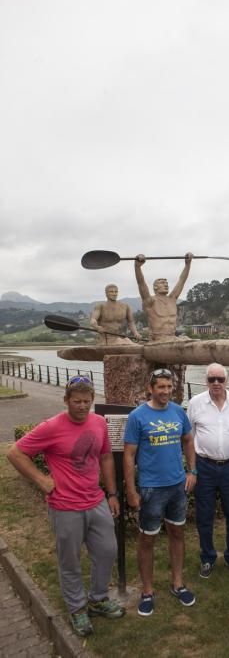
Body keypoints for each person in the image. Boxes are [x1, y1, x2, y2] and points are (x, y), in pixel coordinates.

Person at [7, 376, 125, 637]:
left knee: (107, 550)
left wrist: (112, 493)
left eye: (87, 401)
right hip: (65, 507)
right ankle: (77, 609)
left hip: (95, 501)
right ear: (66, 401)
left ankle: (97, 598)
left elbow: (105, 457)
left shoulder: (98, 423)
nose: (82, 407)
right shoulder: (51, 427)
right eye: (77, 402)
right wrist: (41, 480)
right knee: (69, 561)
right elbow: (15, 453)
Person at [123, 368, 197, 616]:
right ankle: (147, 590)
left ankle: (177, 583)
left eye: (168, 387)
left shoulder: (178, 411)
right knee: (147, 539)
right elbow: (129, 455)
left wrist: (192, 471)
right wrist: (132, 491)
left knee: (177, 533)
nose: (165, 391)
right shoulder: (137, 416)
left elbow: (187, 440)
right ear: (150, 388)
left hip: (177, 486)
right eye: (160, 387)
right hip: (151, 489)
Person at [187, 363, 229, 579]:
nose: (216, 383)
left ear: (226, 381)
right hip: (204, 466)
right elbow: (190, 437)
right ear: (206, 381)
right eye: (211, 379)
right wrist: (192, 468)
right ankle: (207, 557)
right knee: (204, 514)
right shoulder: (195, 404)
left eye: (220, 379)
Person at [134, 252, 193, 341]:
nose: (165, 285)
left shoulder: (172, 299)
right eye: (162, 283)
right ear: (155, 287)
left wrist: (187, 264)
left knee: (191, 341)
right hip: (157, 339)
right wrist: (137, 267)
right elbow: (141, 283)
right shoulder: (150, 301)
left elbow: (182, 280)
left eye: (166, 283)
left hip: (172, 337)